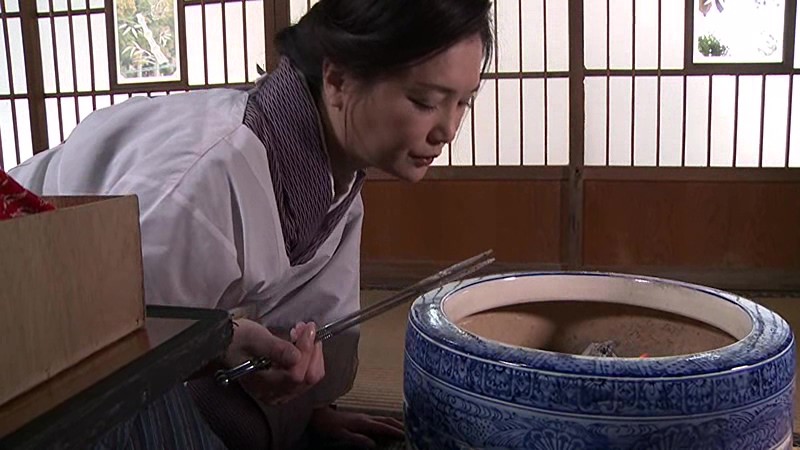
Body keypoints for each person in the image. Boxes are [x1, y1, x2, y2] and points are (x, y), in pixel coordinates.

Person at [9, 0, 493, 447]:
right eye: (425, 101)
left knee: (275, 403)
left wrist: (314, 404)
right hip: (30, 303)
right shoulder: (206, 174)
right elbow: (117, 341)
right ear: (338, 79)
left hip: (120, 332)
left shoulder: (335, 167)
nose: (448, 129)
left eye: (463, 102)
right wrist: (217, 343)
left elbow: (313, 320)